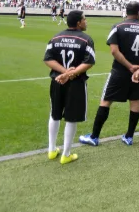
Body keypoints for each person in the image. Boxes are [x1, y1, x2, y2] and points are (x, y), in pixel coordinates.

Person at [79, 2, 139, 147]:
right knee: (135, 102)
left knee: (106, 101)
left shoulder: (117, 27)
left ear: (126, 12)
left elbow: (114, 51)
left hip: (119, 71)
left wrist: (129, 66)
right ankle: (129, 137)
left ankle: (94, 137)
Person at [43, 10, 95, 164]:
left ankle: (52, 150)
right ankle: (66, 154)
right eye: (84, 19)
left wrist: (63, 73)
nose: (86, 21)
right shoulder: (86, 39)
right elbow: (89, 62)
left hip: (57, 81)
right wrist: (69, 73)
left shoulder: (56, 37)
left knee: (55, 114)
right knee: (72, 118)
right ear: (79, 22)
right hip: (76, 83)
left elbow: (47, 59)